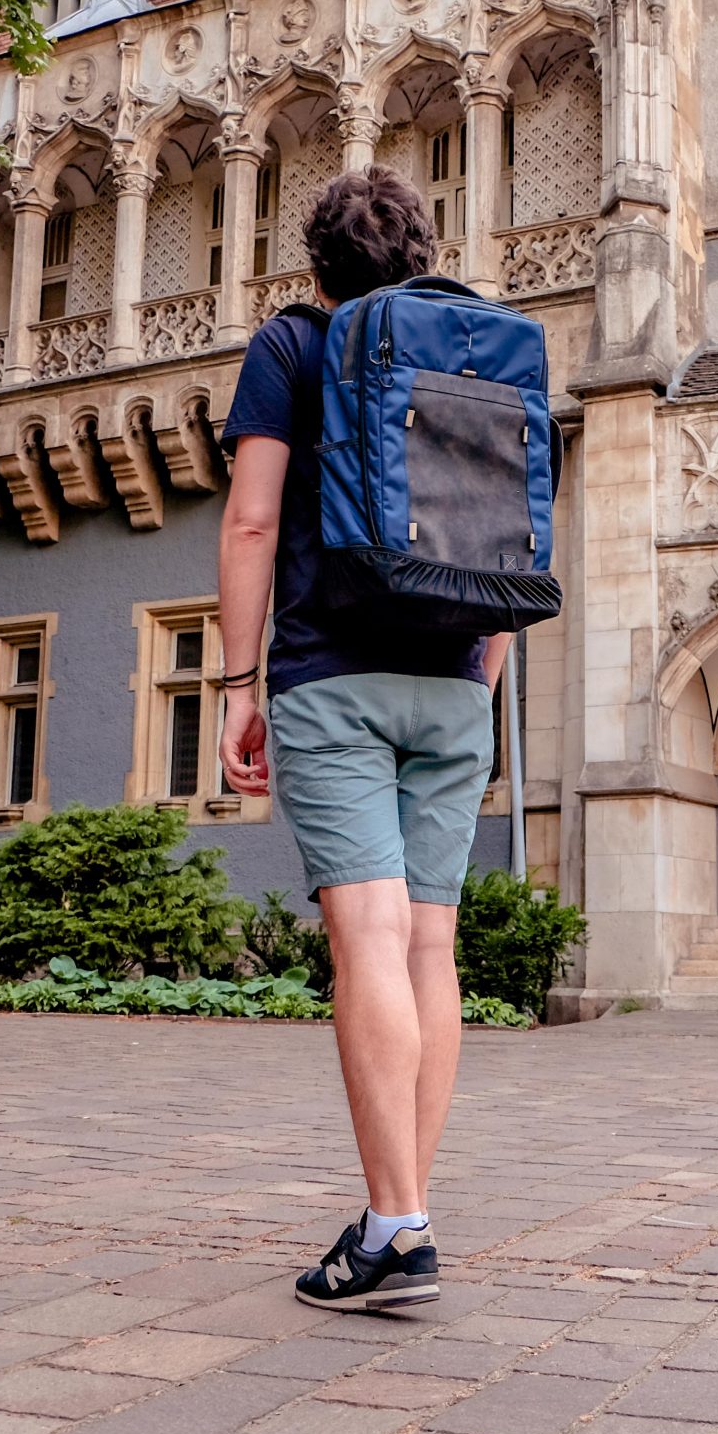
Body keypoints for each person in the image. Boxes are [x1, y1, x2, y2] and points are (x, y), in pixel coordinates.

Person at [215, 167, 509, 1312]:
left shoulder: (291, 347)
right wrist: (486, 669)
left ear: (318, 265)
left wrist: (236, 684)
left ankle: (397, 1225)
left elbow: (251, 518)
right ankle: (403, 1209)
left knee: (367, 946)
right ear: (422, 251)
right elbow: (503, 525)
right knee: (427, 950)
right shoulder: (474, 343)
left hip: (331, 677)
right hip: (457, 675)